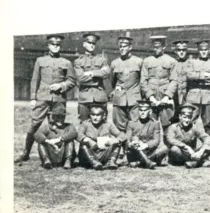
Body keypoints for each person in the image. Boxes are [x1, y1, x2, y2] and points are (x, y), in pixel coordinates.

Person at [16, 34, 76, 163]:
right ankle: (26, 152)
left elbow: (72, 81)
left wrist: (61, 85)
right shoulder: (40, 60)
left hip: (59, 99)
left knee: (56, 127)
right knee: (34, 124)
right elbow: (35, 80)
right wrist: (33, 98)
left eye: (58, 45)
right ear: (48, 45)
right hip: (42, 98)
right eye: (53, 45)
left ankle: (55, 155)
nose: (55, 47)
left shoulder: (66, 62)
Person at [109, 35, 144, 165]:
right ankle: (120, 153)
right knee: (120, 127)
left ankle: (133, 154)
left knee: (134, 126)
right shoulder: (114, 63)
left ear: (130, 47)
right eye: (120, 47)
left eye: (125, 46)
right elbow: (112, 82)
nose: (122, 49)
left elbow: (142, 80)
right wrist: (117, 90)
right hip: (119, 99)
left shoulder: (139, 62)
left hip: (135, 99)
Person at [141, 35, 178, 134]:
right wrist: (150, 96)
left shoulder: (171, 61)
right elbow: (143, 81)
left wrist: (167, 96)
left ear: (164, 47)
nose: (155, 49)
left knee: (167, 126)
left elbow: (174, 80)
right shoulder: (147, 61)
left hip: (165, 98)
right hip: (151, 98)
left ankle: (168, 148)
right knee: (150, 125)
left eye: (158, 47)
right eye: (154, 47)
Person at [76, 103, 127, 170]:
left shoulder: (108, 125)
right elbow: (78, 134)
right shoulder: (85, 124)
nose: (95, 117)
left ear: (103, 116)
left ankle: (111, 162)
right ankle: (94, 163)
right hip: (89, 155)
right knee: (84, 145)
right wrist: (88, 139)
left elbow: (122, 135)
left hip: (103, 153)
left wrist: (115, 140)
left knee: (117, 143)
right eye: (93, 115)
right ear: (90, 115)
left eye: (98, 115)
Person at [74, 33, 111, 122]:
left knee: (102, 123)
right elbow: (81, 79)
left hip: (99, 97)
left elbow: (107, 73)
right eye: (89, 43)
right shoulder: (78, 61)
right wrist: (98, 76)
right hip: (84, 98)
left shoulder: (102, 60)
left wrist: (91, 73)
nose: (91, 45)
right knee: (83, 123)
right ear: (84, 44)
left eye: (93, 43)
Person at [166, 103, 210, 168]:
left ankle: (195, 161)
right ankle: (197, 162)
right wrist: (186, 147)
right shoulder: (173, 127)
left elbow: (207, 139)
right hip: (179, 154)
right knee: (174, 149)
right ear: (180, 116)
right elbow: (170, 139)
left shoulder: (194, 127)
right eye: (185, 117)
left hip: (192, 154)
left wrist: (201, 151)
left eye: (189, 117)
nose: (187, 120)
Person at [125, 98, 169, 169]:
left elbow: (156, 140)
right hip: (135, 151)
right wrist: (131, 143)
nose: (142, 112)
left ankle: (140, 162)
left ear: (150, 111)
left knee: (164, 148)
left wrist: (145, 145)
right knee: (135, 139)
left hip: (148, 150)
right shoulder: (132, 123)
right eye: (140, 110)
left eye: (145, 110)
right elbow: (127, 138)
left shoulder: (155, 123)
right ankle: (147, 161)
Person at [185, 40, 210, 133]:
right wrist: (204, 75)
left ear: (208, 50)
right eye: (201, 50)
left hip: (207, 97)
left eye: (206, 50)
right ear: (198, 50)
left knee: (208, 123)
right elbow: (189, 75)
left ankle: (208, 144)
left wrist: (197, 78)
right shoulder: (192, 62)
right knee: (189, 120)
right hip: (193, 96)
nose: (203, 52)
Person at [173, 39, 191, 109]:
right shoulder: (172, 63)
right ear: (175, 51)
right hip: (175, 95)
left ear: (186, 51)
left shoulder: (191, 63)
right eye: (179, 50)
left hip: (187, 95)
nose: (181, 52)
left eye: (183, 50)